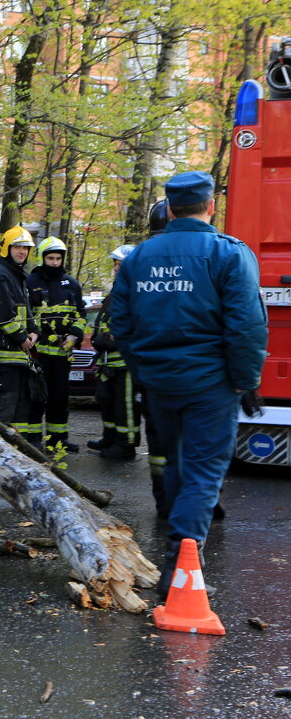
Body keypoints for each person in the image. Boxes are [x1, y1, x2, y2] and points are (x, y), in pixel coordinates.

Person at [112, 171, 267, 597]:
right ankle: (178, 562)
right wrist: (246, 379)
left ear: (170, 207)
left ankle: (180, 555)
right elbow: (247, 326)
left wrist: (143, 371)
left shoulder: (139, 257)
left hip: (160, 383)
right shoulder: (228, 254)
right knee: (204, 469)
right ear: (211, 205)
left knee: (179, 462)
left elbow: (121, 325)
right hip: (210, 384)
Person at [24, 237, 87, 453]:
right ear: (42, 259)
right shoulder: (30, 283)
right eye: (50, 258)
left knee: (60, 397)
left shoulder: (71, 284)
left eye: (58, 258)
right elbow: (26, 315)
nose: (54, 262)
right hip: (38, 353)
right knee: (37, 397)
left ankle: (58, 439)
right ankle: (32, 439)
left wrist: (74, 336)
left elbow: (81, 314)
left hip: (63, 353)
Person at [0, 226, 40, 444]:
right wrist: (23, 338)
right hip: (1, 358)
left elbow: (28, 312)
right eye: (17, 247)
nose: (22, 251)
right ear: (7, 248)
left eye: (25, 248)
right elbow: (1, 314)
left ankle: (17, 452)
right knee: (1, 410)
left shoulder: (18, 277)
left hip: (18, 358)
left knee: (20, 410)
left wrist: (35, 332)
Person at [89, 245, 143, 462]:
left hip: (125, 363)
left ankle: (126, 444)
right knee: (109, 403)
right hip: (109, 361)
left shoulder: (134, 291)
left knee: (126, 406)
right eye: (115, 264)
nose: (115, 268)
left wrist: (108, 340)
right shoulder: (117, 290)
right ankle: (110, 437)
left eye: (119, 264)